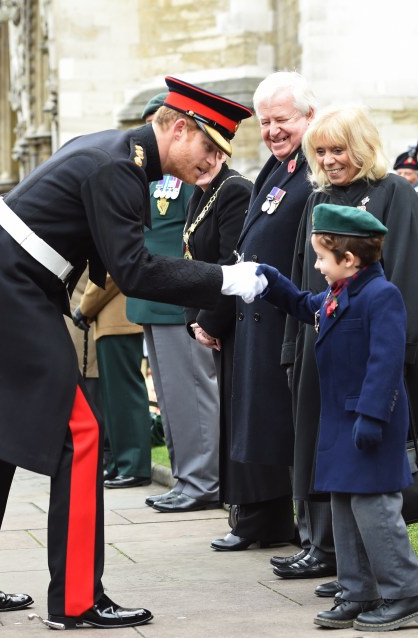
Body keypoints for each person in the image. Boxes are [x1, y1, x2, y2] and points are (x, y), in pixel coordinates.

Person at [0, 76, 260, 628]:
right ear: (178, 129)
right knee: (81, 433)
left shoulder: (110, 149)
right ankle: (78, 600)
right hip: (12, 290)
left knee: (0, 436)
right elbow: (135, 270)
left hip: (6, 285)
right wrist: (224, 279)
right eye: (209, 148)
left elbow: (33, 202)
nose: (212, 162)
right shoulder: (118, 167)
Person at [256, 203, 418, 632]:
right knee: (344, 511)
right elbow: (304, 306)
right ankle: (358, 591)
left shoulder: (380, 295)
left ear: (349, 260)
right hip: (339, 424)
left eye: (321, 256)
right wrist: (269, 280)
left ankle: (407, 595)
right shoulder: (340, 294)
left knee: (375, 514)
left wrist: (372, 417)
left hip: (368, 423)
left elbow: (386, 361)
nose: (316, 265)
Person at [287, 106, 418, 596]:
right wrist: (294, 347)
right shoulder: (320, 199)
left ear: (363, 146)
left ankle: (385, 578)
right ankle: (343, 566)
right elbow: (301, 274)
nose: (331, 160)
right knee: (330, 458)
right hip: (325, 346)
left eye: (339, 149)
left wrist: (396, 355)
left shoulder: (393, 192)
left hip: (377, 350)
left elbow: (409, 279)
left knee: (370, 468)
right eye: (322, 151)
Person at [216, 71, 316, 558]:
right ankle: (262, 518)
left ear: (308, 117)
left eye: (283, 120)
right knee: (260, 423)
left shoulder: (314, 169)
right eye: (266, 122)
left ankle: (303, 528)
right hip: (258, 314)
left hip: (289, 314)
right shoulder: (275, 169)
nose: (273, 130)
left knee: (286, 425)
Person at [129, 93, 221, 512]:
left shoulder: (184, 174)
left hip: (178, 296)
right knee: (169, 397)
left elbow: (192, 236)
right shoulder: (142, 172)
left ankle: (204, 480)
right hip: (153, 297)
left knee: (193, 393)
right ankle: (187, 476)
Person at [183, 153, 254, 513]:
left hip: (234, 319)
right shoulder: (200, 192)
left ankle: (244, 511)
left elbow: (232, 263)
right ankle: (237, 511)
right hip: (211, 317)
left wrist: (210, 321)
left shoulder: (234, 190)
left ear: (224, 154)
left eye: (211, 153)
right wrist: (194, 318)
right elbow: (192, 260)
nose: (203, 160)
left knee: (236, 415)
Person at [75, 275, 151, 489]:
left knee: (124, 395)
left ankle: (134, 466)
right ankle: (122, 463)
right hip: (110, 320)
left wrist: (85, 307)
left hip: (119, 319)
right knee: (115, 399)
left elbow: (109, 274)